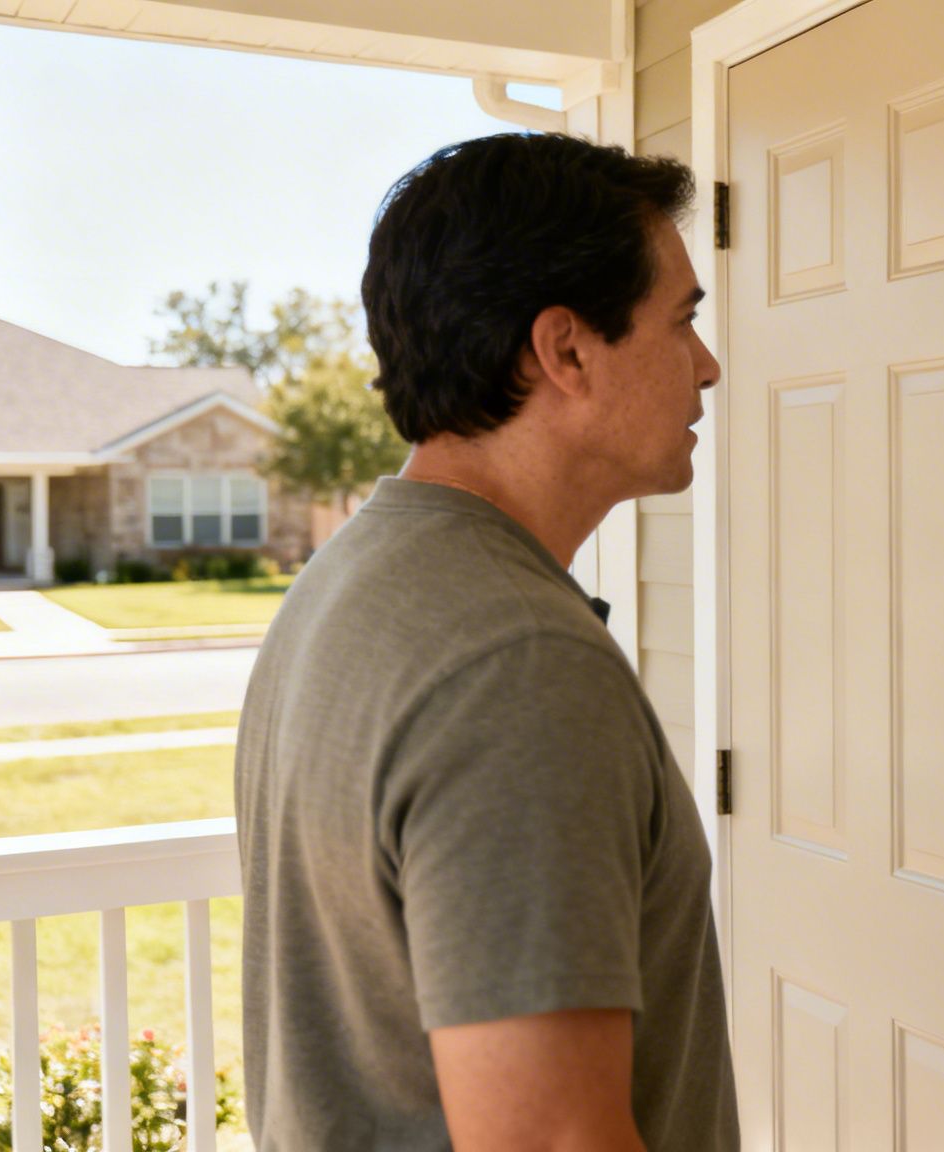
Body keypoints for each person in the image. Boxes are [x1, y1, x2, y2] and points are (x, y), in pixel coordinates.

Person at [234, 133, 737, 1149]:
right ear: (564, 351)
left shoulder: (350, 583)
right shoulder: (517, 668)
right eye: (680, 322)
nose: (707, 365)